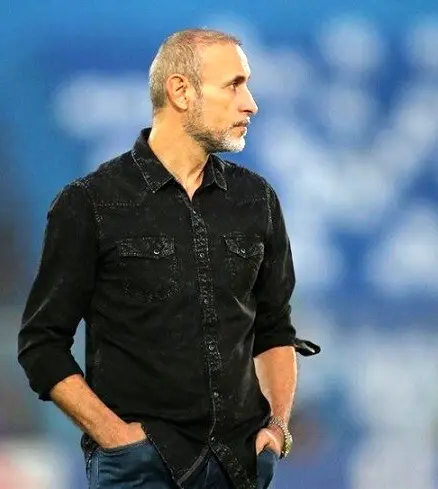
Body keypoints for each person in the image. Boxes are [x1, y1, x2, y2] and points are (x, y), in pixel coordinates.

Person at [17, 28, 319, 489]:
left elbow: (275, 329)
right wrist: (116, 437)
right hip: (141, 470)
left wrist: (277, 429)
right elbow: (41, 345)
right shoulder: (90, 203)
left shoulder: (256, 199)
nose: (251, 104)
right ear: (180, 91)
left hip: (240, 467)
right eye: (234, 85)